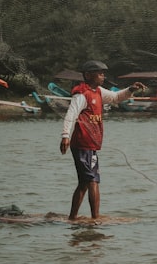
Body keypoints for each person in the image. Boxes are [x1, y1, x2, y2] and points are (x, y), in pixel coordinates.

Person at [59, 60, 145, 221]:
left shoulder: (98, 91)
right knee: (93, 181)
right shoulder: (82, 94)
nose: (103, 76)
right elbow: (71, 114)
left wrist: (131, 89)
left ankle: (72, 217)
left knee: (84, 183)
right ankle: (95, 218)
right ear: (88, 75)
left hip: (91, 145)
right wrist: (65, 136)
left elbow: (116, 97)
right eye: (100, 73)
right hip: (82, 144)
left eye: (103, 73)